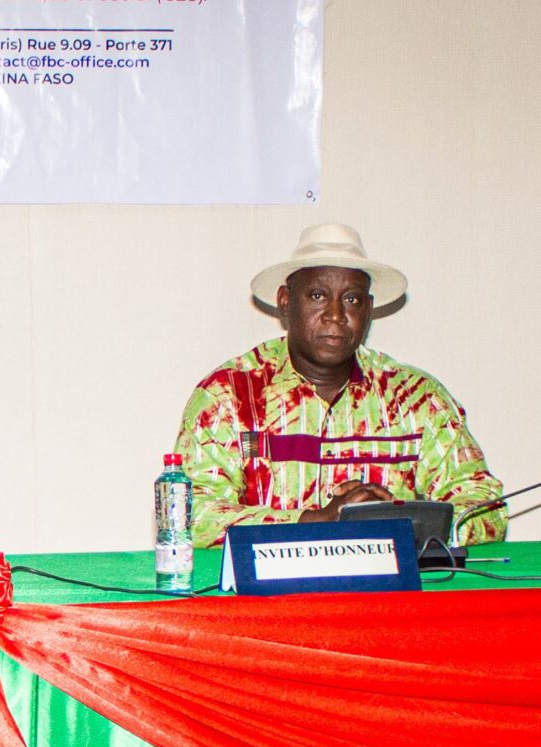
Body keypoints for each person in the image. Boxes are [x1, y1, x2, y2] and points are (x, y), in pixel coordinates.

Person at [175, 223, 506, 546]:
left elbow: (485, 507)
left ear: (369, 310)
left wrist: (398, 524)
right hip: (269, 584)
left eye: (352, 300)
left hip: (386, 582)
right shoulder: (229, 395)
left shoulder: (415, 397)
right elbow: (190, 515)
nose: (335, 314)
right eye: (318, 295)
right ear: (285, 302)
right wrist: (314, 521)